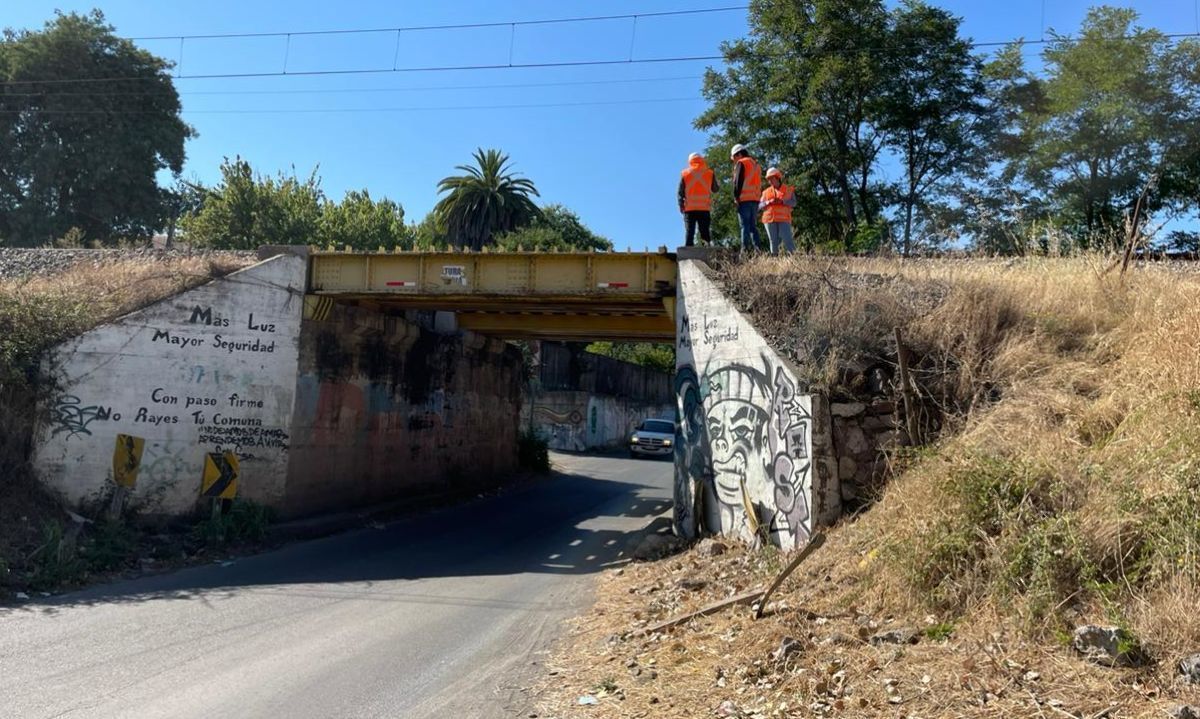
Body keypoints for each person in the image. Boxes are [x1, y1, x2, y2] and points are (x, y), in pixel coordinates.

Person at [678, 152, 718, 247]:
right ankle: (707, 250)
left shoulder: (685, 173)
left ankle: (688, 251)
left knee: (690, 232)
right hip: (704, 208)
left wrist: (680, 205)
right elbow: (715, 189)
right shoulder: (709, 173)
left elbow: (680, 192)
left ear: (690, 161)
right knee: (704, 232)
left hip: (689, 208)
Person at [730, 143, 763, 252]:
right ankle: (758, 251)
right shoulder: (756, 165)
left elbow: (737, 182)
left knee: (744, 226)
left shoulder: (741, 163)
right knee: (753, 227)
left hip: (744, 199)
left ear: (739, 154)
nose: (734, 160)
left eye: (734, 157)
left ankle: (744, 251)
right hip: (755, 200)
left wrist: (736, 197)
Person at [759, 167, 797, 254]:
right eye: (768, 179)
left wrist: (783, 202)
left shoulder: (788, 190)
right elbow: (759, 206)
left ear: (777, 177)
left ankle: (794, 259)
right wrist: (769, 202)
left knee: (788, 240)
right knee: (773, 241)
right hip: (769, 219)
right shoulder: (766, 192)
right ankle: (775, 261)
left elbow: (794, 203)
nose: (770, 181)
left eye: (771, 178)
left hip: (784, 219)